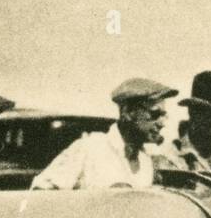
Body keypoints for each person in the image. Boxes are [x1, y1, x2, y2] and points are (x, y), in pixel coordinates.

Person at [31, 77, 176, 189]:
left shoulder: (145, 162)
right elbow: (41, 194)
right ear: (128, 112)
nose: (162, 123)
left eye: (164, 115)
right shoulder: (90, 148)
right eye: (155, 114)